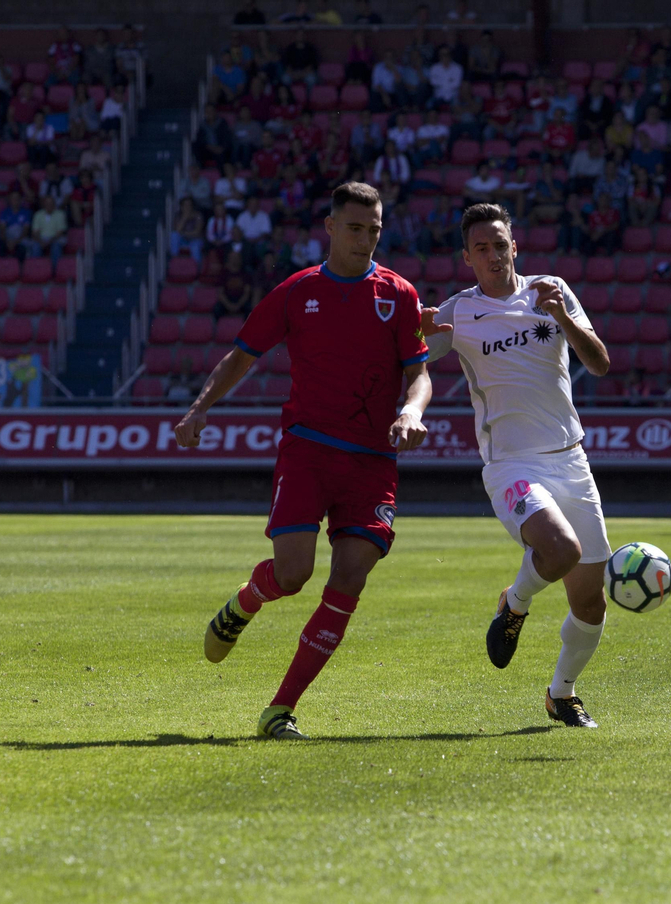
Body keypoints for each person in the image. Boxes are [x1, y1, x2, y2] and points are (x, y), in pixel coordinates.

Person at [175, 182, 441, 740]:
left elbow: (419, 374)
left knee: (350, 576)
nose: (365, 239)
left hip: (372, 461)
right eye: (355, 228)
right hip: (309, 451)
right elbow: (241, 356)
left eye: (374, 230)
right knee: (293, 574)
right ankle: (246, 600)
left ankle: (280, 710)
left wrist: (411, 411)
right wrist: (200, 409)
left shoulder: (398, 294)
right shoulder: (298, 291)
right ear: (330, 227)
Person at [420, 202, 612, 728]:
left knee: (591, 605)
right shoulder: (459, 311)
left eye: (500, 244)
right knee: (561, 549)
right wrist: (412, 333)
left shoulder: (552, 290)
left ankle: (561, 694)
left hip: (570, 459)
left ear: (515, 247)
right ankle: (516, 603)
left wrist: (563, 317)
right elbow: (408, 359)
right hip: (510, 464)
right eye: (481, 247)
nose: (493, 255)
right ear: (467, 257)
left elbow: (599, 363)